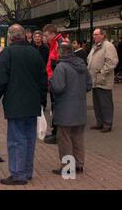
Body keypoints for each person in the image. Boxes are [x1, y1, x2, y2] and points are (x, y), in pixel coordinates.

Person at [0, 24, 47, 185]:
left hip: (16, 104)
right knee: (29, 139)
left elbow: (0, 79)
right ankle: (27, 171)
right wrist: (42, 100)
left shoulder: (7, 53)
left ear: (10, 37)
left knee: (16, 140)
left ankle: (18, 174)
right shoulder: (34, 53)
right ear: (24, 36)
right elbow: (43, 80)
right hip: (33, 103)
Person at [50, 42, 92, 175]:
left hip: (65, 108)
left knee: (65, 138)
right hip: (79, 107)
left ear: (61, 52)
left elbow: (58, 88)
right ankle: (79, 164)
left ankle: (68, 167)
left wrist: (51, 82)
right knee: (78, 137)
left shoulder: (61, 67)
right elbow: (89, 85)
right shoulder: (82, 65)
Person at [87, 29, 119, 133]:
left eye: (96, 34)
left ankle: (107, 124)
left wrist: (102, 72)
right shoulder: (95, 46)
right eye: (93, 34)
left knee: (105, 103)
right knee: (97, 104)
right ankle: (99, 122)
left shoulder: (108, 46)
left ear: (103, 35)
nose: (94, 36)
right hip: (95, 81)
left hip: (103, 80)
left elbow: (112, 61)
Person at [42, 24, 64, 144]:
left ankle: (57, 133)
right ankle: (55, 131)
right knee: (54, 106)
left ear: (52, 34)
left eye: (46, 35)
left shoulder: (59, 44)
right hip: (52, 78)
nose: (44, 38)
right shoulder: (53, 44)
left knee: (57, 106)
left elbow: (61, 62)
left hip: (56, 79)